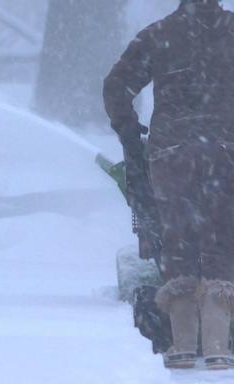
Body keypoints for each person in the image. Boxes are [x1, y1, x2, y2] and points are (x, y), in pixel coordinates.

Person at [103, 0, 234, 370]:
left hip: (171, 154)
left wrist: (128, 130)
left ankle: (180, 345)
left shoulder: (160, 34)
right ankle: (218, 345)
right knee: (222, 241)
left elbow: (116, 85)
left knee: (178, 240)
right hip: (227, 153)